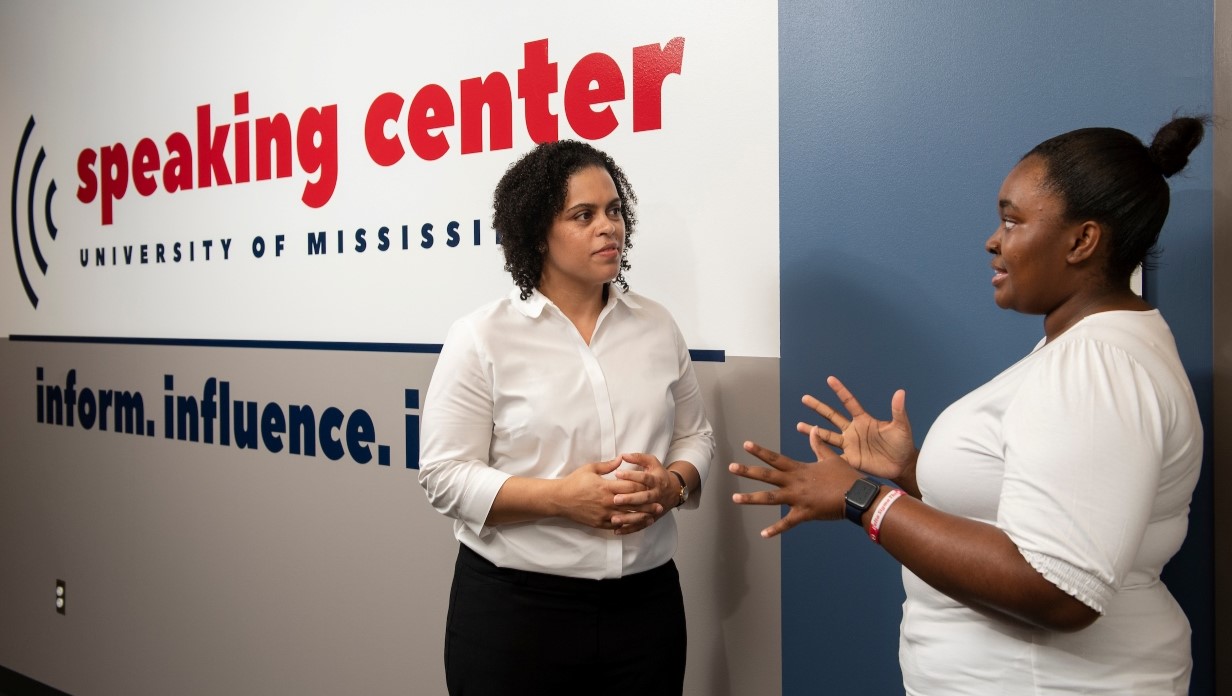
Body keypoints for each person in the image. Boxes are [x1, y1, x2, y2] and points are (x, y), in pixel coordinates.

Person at [728, 116, 1207, 694]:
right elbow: (1029, 520)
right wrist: (911, 473)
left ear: (1082, 241)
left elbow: (1060, 590)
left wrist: (864, 500)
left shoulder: (1097, 367)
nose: (993, 240)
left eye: (1012, 220)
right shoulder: (1089, 352)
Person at [418, 139, 715, 695]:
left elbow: (696, 436)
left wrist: (671, 487)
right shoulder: (482, 336)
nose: (609, 227)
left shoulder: (657, 326)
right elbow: (443, 476)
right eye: (584, 215)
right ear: (537, 233)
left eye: (614, 210)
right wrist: (562, 499)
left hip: (645, 611)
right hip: (517, 615)